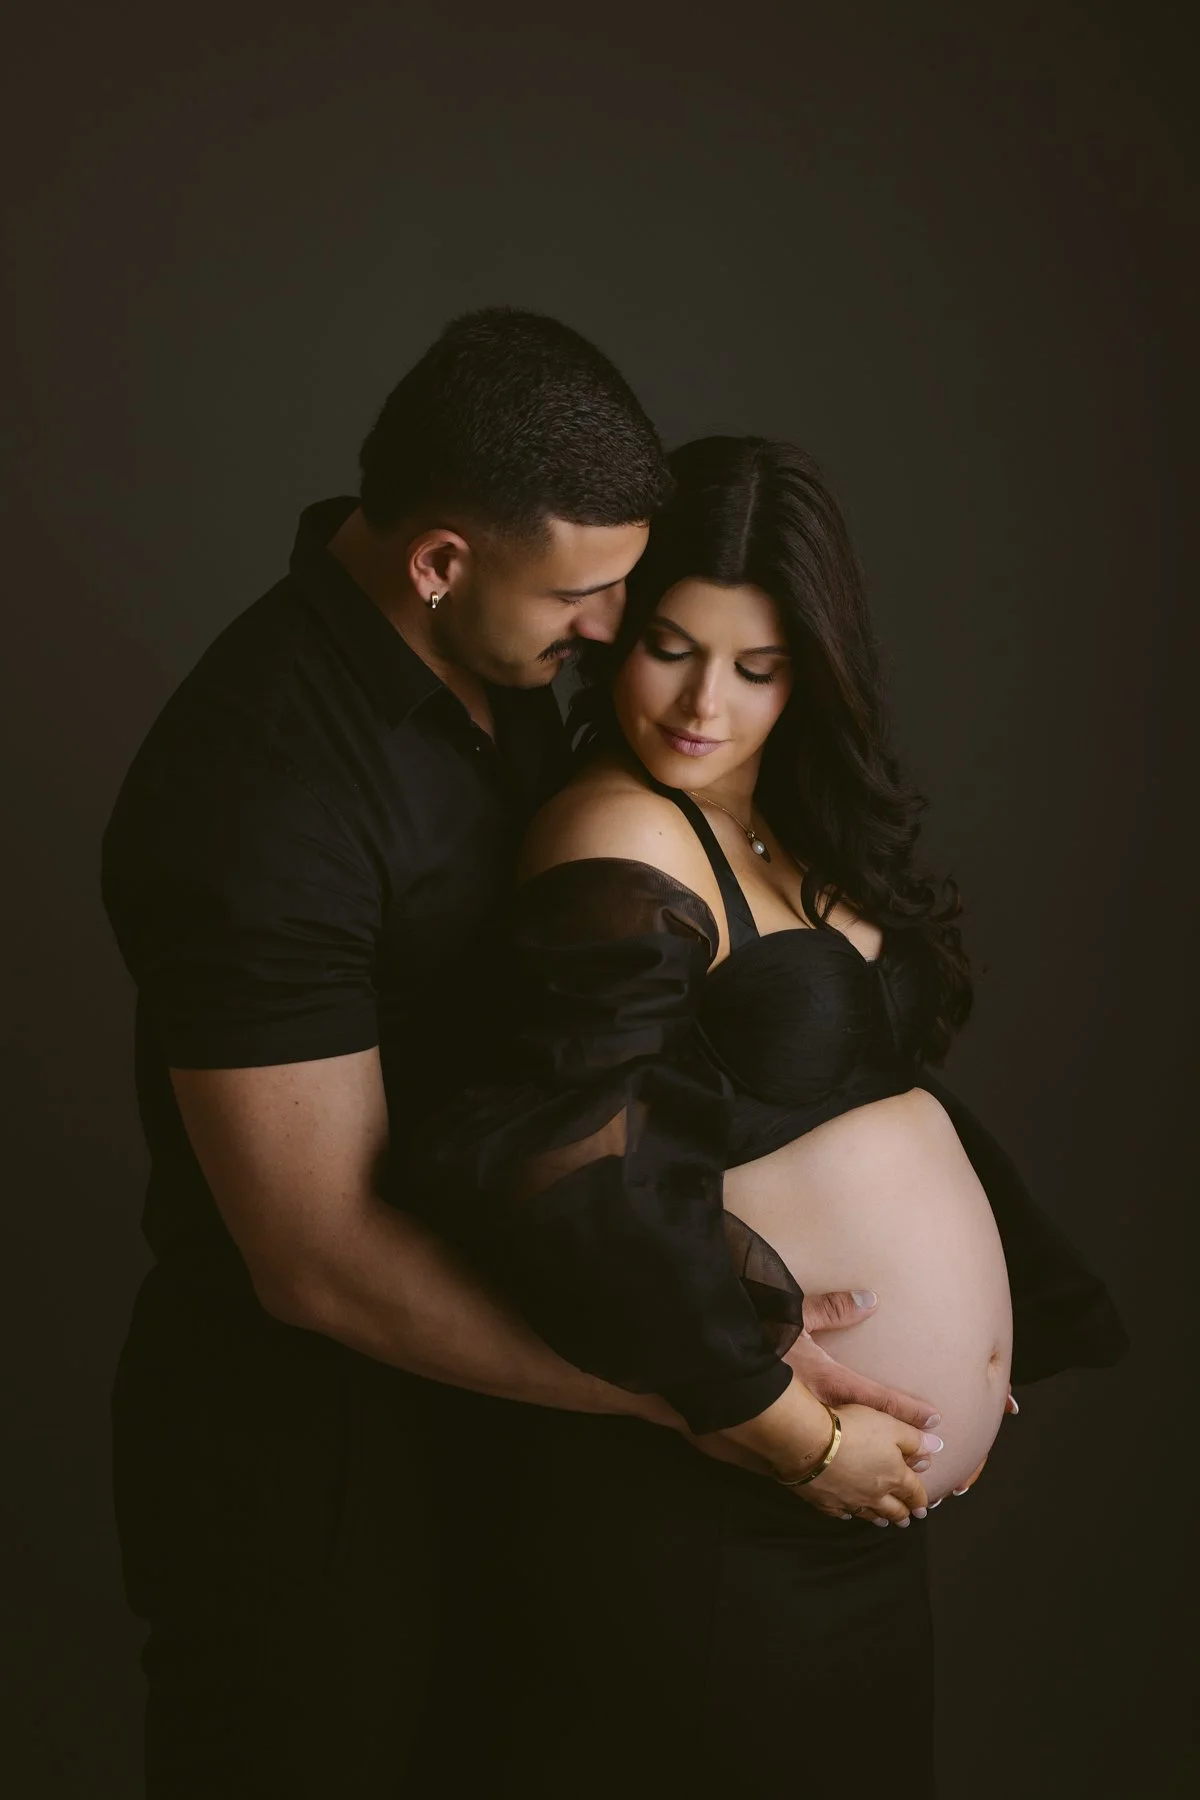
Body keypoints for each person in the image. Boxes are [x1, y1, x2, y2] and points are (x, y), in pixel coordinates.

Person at [100, 318, 938, 1797]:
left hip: (510, 1423)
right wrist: (719, 1397)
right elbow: (317, 1258)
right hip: (313, 1472)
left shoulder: (507, 662)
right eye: (592, 596)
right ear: (439, 561)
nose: (616, 634)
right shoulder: (260, 789)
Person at [407, 436, 1129, 1797]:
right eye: (671, 647)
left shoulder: (779, 823)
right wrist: (785, 1419)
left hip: (848, 1517)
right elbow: (574, 1179)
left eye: (757, 666)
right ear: (619, 628)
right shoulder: (616, 835)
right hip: (722, 1502)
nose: (703, 704)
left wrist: (967, 1323)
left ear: (813, 669)